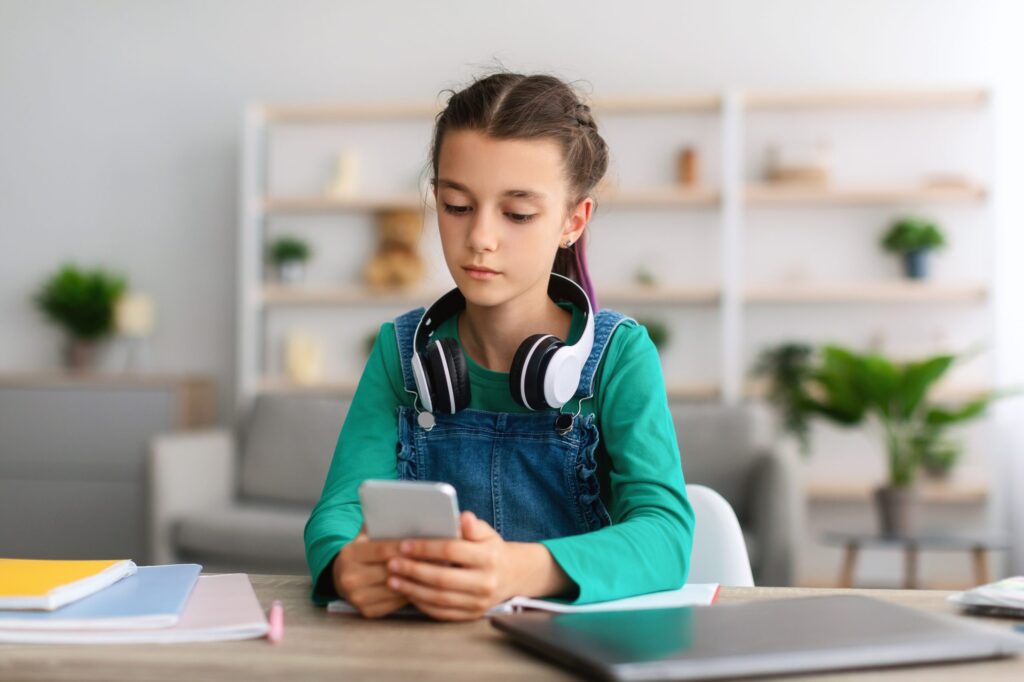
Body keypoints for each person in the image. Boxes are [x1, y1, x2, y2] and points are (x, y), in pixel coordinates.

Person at [304, 72, 694, 621]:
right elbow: (339, 511)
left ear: (572, 220)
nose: (481, 237)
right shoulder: (401, 352)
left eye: (517, 214)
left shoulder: (620, 357)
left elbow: (666, 537)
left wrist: (514, 571)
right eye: (458, 206)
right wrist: (347, 565)